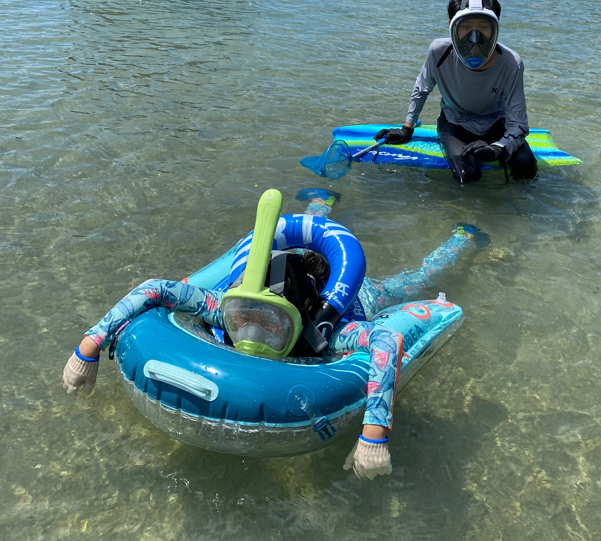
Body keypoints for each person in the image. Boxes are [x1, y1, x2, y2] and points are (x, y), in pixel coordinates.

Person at [62, 188, 487, 480]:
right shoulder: (223, 307)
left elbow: (386, 341)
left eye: (271, 324)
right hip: (285, 284)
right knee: (301, 239)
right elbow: (155, 288)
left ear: (298, 320)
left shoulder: (329, 332)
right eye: (241, 315)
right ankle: (319, 205)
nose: (249, 332)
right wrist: (89, 347)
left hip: (365, 295)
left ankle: (460, 241)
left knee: (413, 279)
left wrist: (374, 432)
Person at [375, 0, 537, 185]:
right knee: (467, 173)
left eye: (484, 27)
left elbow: (518, 124)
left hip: (496, 124)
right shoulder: (438, 52)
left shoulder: (511, 63)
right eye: (465, 27)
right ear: (452, 26)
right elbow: (422, 88)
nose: (475, 37)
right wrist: (407, 128)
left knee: (527, 165)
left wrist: (499, 147)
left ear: (496, 28)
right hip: (455, 124)